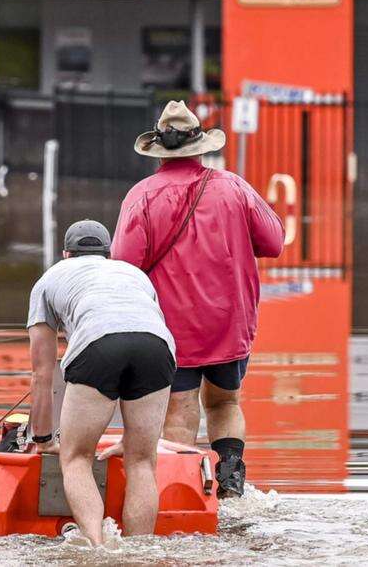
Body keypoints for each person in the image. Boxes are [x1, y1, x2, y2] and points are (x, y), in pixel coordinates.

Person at [108, 100, 285, 498]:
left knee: (179, 410)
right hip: (231, 321)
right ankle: (231, 482)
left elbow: (122, 268)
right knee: (225, 403)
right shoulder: (233, 187)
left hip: (172, 328)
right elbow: (274, 242)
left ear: (158, 149)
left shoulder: (142, 196)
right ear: (200, 145)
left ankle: (184, 492)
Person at [25, 219, 177, 546]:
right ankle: (139, 553)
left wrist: (43, 438)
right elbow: (141, 333)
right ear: (108, 254)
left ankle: (96, 550)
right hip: (158, 347)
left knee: (76, 457)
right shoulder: (134, 274)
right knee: (142, 461)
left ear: (65, 253)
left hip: (98, 345)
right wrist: (136, 439)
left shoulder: (49, 279)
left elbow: (42, 373)